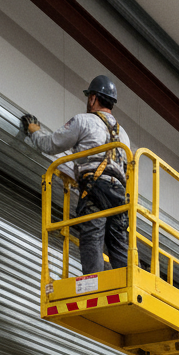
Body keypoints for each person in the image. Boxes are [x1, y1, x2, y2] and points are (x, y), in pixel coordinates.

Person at [23, 75, 131, 275]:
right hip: (119, 194)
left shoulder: (83, 121)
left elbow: (50, 145)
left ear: (93, 98)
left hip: (95, 189)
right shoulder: (124, 135)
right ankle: (129, 285)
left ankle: (93, 286)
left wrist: (33, 132)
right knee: (118, 244)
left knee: (92, 237)